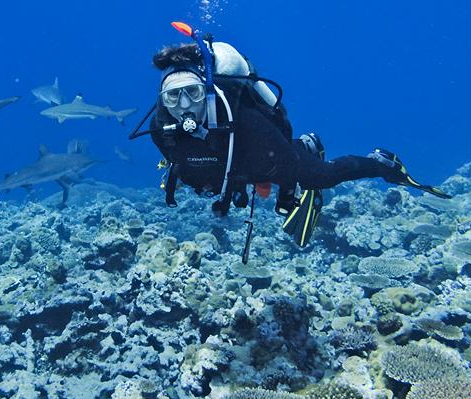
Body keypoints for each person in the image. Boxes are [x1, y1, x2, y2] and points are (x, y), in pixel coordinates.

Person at [129, 24, 450, 256]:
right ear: (162, 100)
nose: (184, 106)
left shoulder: (245, 121)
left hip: (257, 150)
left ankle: (379, 163)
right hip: (230, 164)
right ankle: (298, 156)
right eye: (174, 98)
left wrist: (284, 185)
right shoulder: (160, 127)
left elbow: (264, 157)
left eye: (193, 93)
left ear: (207, 92)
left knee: (314, 176)